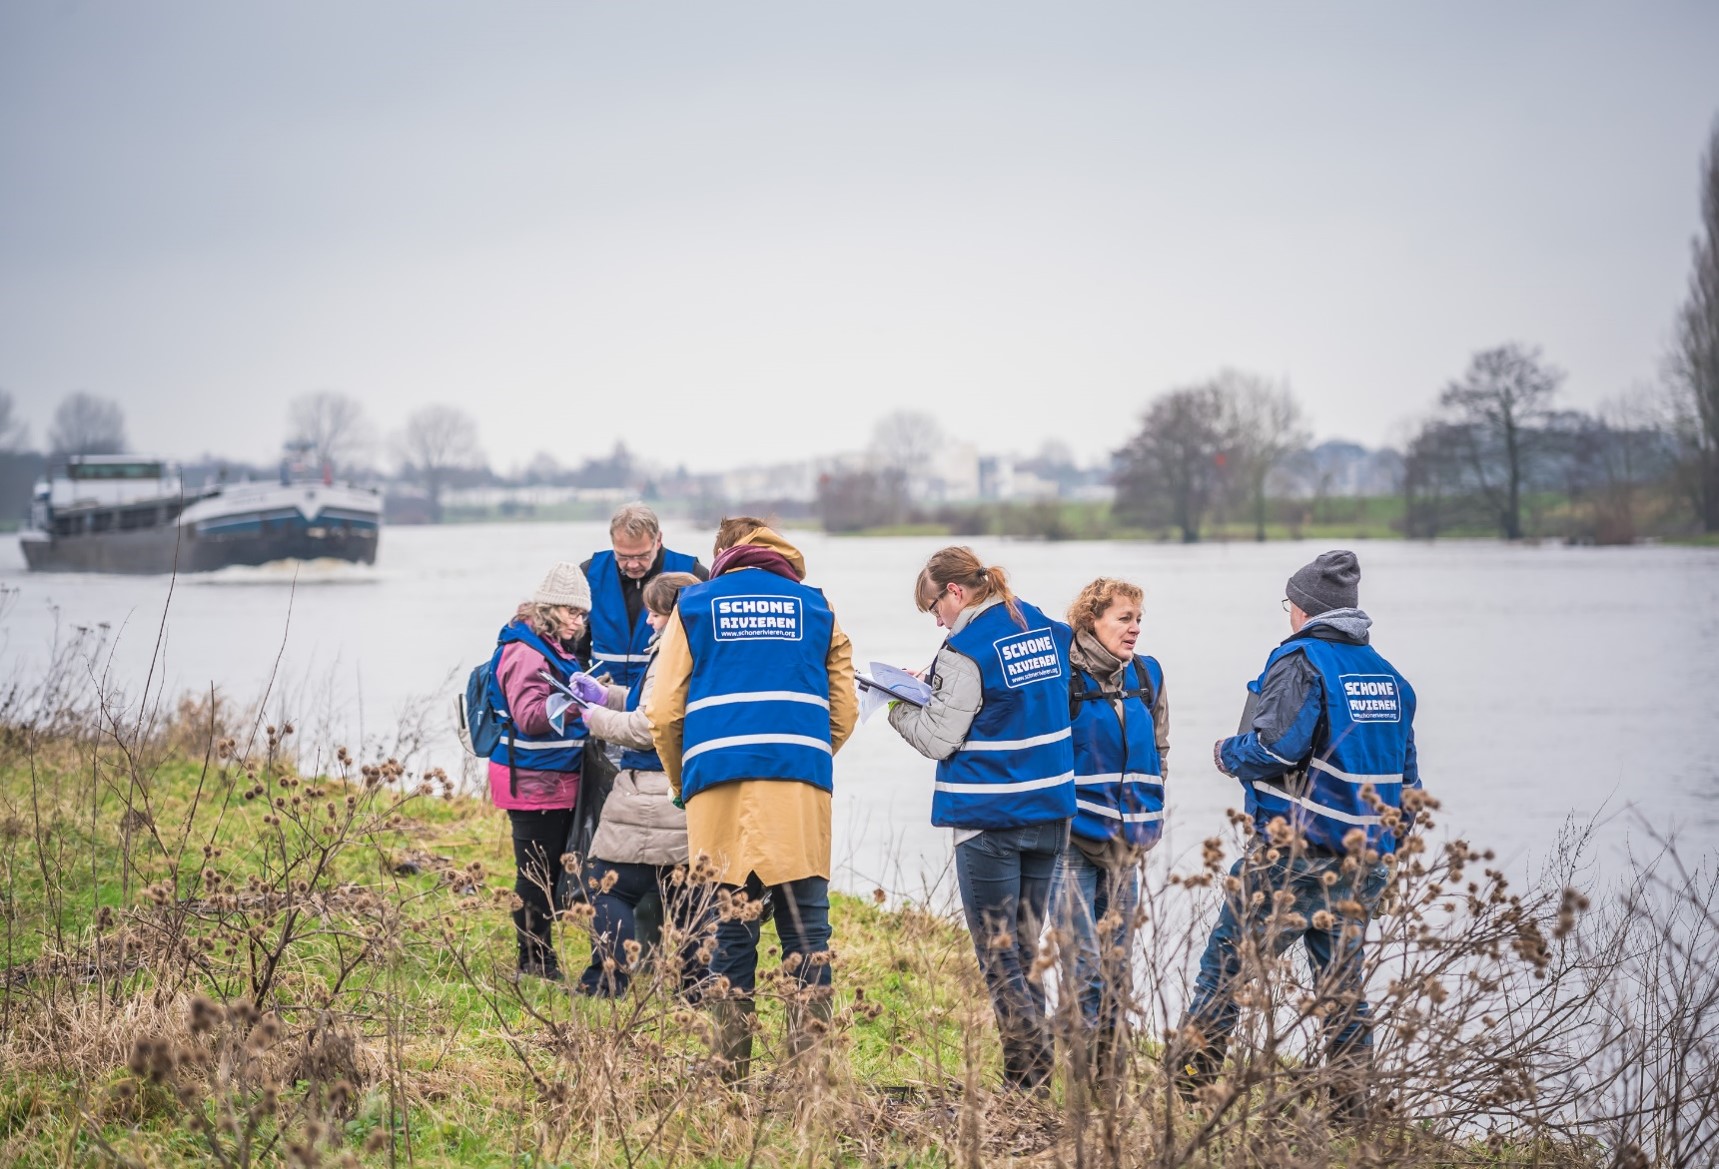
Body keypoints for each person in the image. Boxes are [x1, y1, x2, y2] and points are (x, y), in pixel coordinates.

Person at [1172, 550, 1420, 1121]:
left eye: (1290, 603)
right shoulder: (1392, 679)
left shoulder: (1302, 659)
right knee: (1342, 990)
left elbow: (1274, 747)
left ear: (1305, 607)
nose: (1289, 613)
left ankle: (1186, 1093)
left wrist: (1226, 753)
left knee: (1226, 969)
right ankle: (1351, 1111)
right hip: (1364, 862)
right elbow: (1408, 784)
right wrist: (1387, 852)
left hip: (1294, 857)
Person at [648, 516, 857, 1084]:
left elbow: (663, 711)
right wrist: (806, 754)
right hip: (799, 787)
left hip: (719, 788)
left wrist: (681, 780)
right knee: (808, 935)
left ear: (723, 552)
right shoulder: (817, 607)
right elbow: (845, 707)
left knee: (731, 936)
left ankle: (728, 1075)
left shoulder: (694, 606)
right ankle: (810, 1079)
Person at [886, 547, 1075, 1094]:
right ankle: (1031, 1084)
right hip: (1050, 810)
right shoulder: (1041, 626)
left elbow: (938, 738)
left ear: (956, 592)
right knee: (1025, 949)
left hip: (990, 817)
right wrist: (936, 687)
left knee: (998, 954)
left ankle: (1032, 1069)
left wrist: (896, 705)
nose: (937, 621)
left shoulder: (964, 649)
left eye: (934, 608)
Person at [565, 571, 711, 1000]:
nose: (648, 620)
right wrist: (606, 695)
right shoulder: (704, 650)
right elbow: (654, 702)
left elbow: (649, 725)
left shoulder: (669, 655)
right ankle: (695, 989)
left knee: (609, 885)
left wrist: (595, 718)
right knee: (687, 898)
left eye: (655, 613)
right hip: (690, 790)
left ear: (674, 614)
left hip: (649, 791)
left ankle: (606, 982)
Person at [1053, 576, 1169, 1083]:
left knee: (1118, 966)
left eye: (1138, 619)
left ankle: (1111, 1078)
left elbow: (1160, 749)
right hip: (1072, 843)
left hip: (1128, 846)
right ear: (1091, 621)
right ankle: (1079, 1079)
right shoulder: (1064, 676)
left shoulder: (1147, 675)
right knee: (1082, 964)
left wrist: (1149, 805)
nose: (1135, 628)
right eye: (1124, 618)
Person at [485, 562, 593, 982]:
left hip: (551, 777)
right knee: (534, 875)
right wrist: (582, 706)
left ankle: (540, 958)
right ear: (549, 608)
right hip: (532, 782)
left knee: (548, 871)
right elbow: (529, 717)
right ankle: (533, 962)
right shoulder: (526, 652)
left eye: (582, 614)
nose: (578, 622)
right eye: (571, 612)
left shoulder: (547, 645)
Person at [578, 502, 708, 688]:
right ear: (613, 543)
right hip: (601, 697)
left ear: (658, 540)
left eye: (642, 556)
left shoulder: (692, 574)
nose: (632, 565)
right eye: (623, 556)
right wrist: (585, 686)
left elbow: (705, 648)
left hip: (664, 696)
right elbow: (575, 649)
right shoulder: (589, 574)